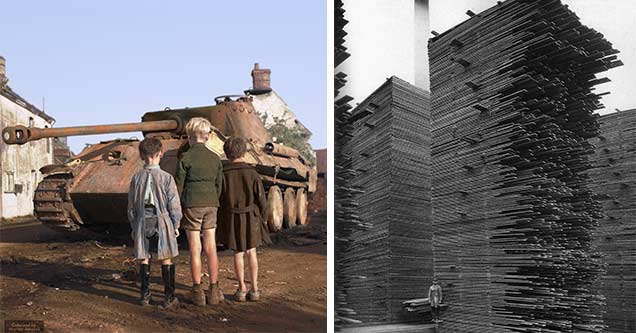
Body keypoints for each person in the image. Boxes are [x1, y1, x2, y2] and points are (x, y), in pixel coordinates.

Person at [174, 117, 224, 306]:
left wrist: (178, 207)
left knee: (195, 248)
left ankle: (197, 291)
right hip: (212, 204)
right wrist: (213, 199)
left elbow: (178, 186)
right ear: (208, 136)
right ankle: (214, 290)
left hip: (191, 205)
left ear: (188, 137)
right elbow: (219, 185)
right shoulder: (215, 158)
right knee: (211, 247)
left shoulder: (185, 158)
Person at [127, 137, 182, 308]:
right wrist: (176, 225)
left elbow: (131, 206)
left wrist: (134, 226)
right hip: (163, 220)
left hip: (143, 220)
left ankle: (144, 296)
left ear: (142, 155)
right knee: (165, 256)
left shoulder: (136, 178)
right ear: (161, 154)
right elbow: (174, 204)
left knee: (143, 256)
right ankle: (169, 297)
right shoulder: (167, 178)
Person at [217, 137, 271, 302]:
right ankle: (254, 290)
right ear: (245, 152)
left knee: (238, 253)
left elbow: (220, 199)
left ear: (227, 154)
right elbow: (262, 199)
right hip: (251, 218)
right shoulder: (252, 173)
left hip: (233, 218)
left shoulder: (223, 174)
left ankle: (241, 289)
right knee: (251, 252)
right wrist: (263, 218)